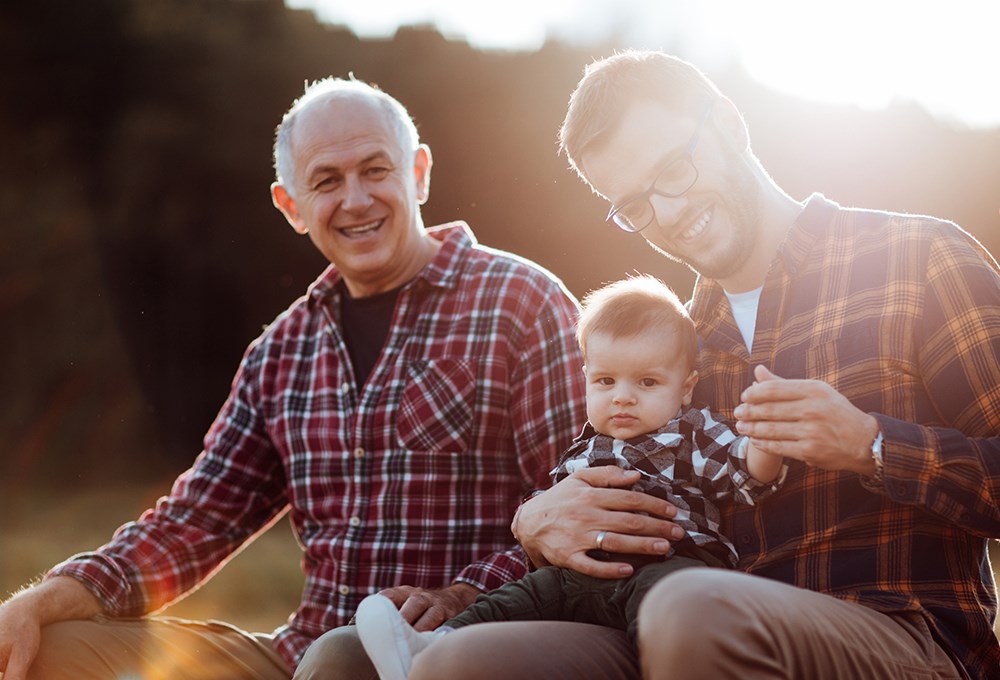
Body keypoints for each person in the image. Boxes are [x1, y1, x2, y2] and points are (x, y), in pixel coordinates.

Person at [405, 50, 1000, 680]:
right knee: (460, 664)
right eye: (633, 205)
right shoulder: (674, 349)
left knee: (690, 607)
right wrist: (531, 525)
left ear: (730, 125)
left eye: (674, 170)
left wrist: (873, 446)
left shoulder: (920, 259)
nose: (665, 214)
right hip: (674, 628)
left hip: (905, 638)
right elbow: (621, 497)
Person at [0, 77, 587, 680]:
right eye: (327, 181)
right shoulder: (280, 351)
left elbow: (580, 509)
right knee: (46, 648)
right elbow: (197, 519)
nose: (356, 200)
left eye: (375, 170)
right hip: (299, 656)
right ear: (292, 207)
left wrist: (464, 596)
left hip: (455, 647)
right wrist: (38, 602)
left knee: (339, 661)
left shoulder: (523, 304)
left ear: (418, 173)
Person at [354, 275, 787, 680]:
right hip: (580, 576)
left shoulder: (689, 432)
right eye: (605, 380)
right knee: (516, 597)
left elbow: (746, 472)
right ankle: (425, 649)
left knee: (665, 612)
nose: (622, 396)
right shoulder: (585, 446)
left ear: (686, 387)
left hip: (668, 566)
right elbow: (554, 520)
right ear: (586, 380)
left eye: (647, 381)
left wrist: (766, 440)